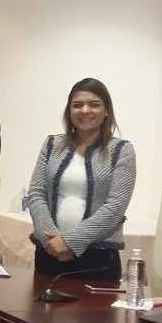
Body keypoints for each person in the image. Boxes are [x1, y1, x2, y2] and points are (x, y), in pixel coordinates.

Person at [27, 78, 135, 281]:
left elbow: (115, 207)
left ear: (106, 111)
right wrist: (52, 240)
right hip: (49, 251)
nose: (85, 110)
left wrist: (70, 242)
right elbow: (36, 194)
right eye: (77, 105)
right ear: (69, 111)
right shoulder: (51, 144)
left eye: (94, 104)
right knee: (39, 303)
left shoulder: (122, 150)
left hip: (98, 257)